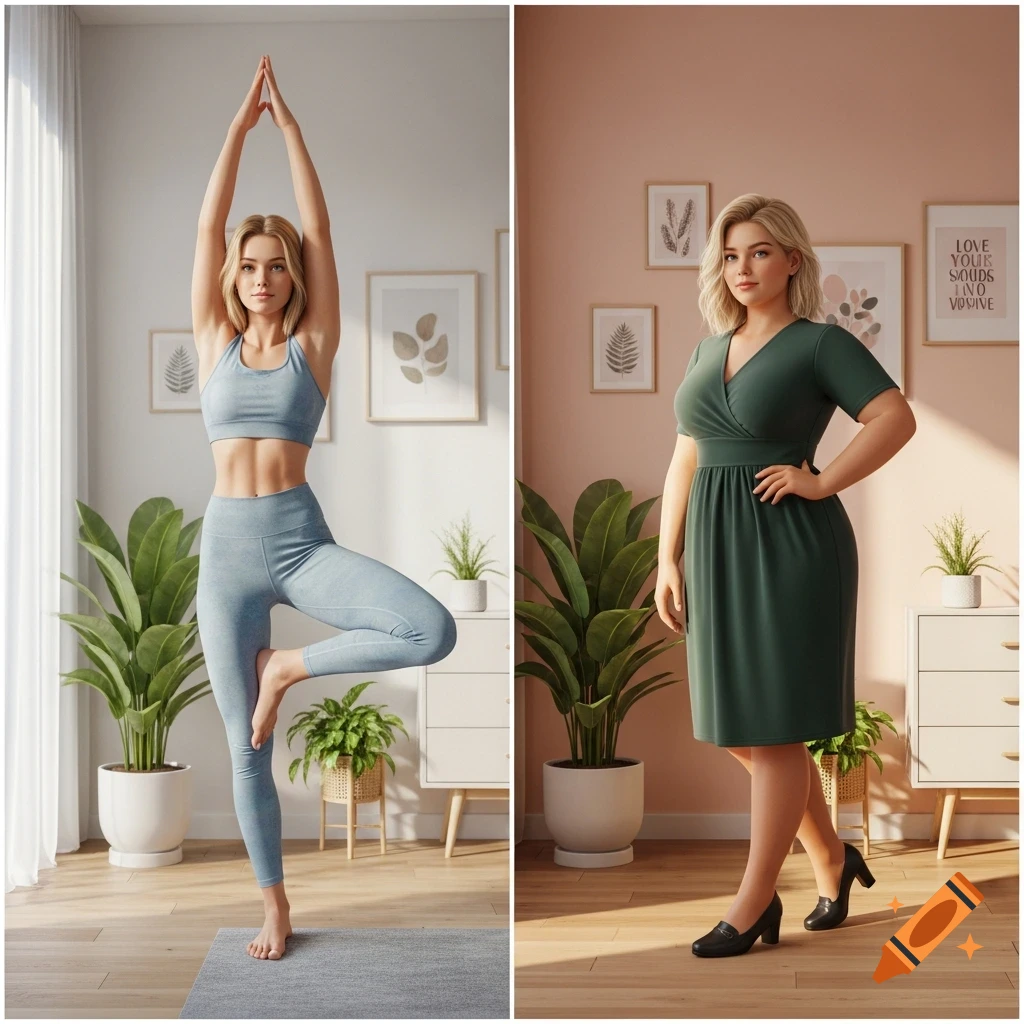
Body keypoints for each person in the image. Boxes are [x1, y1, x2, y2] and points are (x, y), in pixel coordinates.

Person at [192, 55, 457, 961]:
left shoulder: (315, 343)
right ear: (233, 277)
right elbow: (209, 223)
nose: (262, 276)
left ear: (293, 278)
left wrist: (292, 131)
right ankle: (275, 905)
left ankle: (288, 669)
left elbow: (320, 223)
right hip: (225, 552)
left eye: (276, 267)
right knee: (244, 751)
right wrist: (237, 133)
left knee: (430, 629)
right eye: (249, 267)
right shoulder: (214, 339)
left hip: (300, 540)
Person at [657, 193, 916, 958]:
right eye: (732, 254)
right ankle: (834, 858)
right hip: (712, 546)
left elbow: (894, 416)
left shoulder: (818, 343)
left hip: (792, 548)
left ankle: (752, 903)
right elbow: (686, 455)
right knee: (745, 731)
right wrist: (664, 555)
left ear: (792, 261)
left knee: (772, 734)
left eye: (761, 252)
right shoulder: (709, 350)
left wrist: (822, 480)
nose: (743, 267)